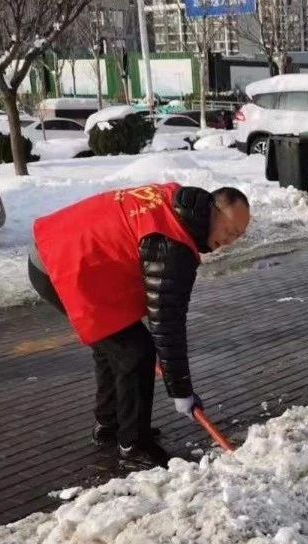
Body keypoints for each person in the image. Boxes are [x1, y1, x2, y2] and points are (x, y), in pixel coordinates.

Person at [28, 183, 251, 468]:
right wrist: (181, 390)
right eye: (231, 230)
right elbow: (167, 325)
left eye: (239, 236)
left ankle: (111, 426)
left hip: (61, 250)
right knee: (134, 351)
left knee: (115, 340)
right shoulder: (171, 242)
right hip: (59, 264)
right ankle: (133, 444)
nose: (231, 240)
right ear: (212, 208)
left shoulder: (178, 205)